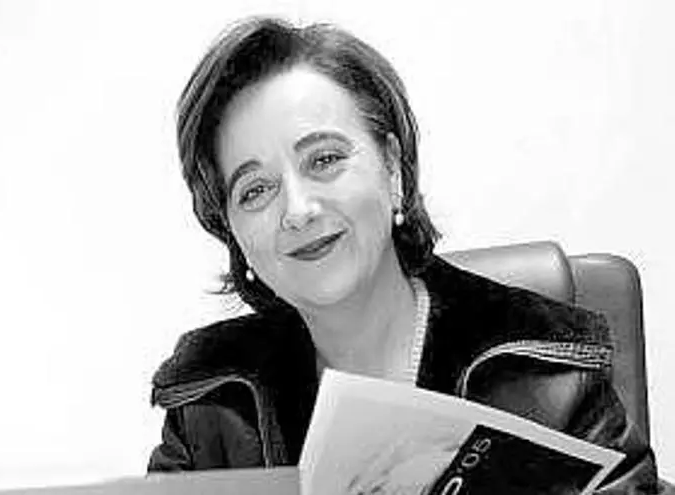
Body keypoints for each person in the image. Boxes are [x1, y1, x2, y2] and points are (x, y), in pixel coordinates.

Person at [146, 16, 661, 493]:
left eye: (324, 160)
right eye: (255, 190)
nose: (297, 210)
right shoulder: (210, 402)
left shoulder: (550, 374)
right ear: (232, 232)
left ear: (392, 168)